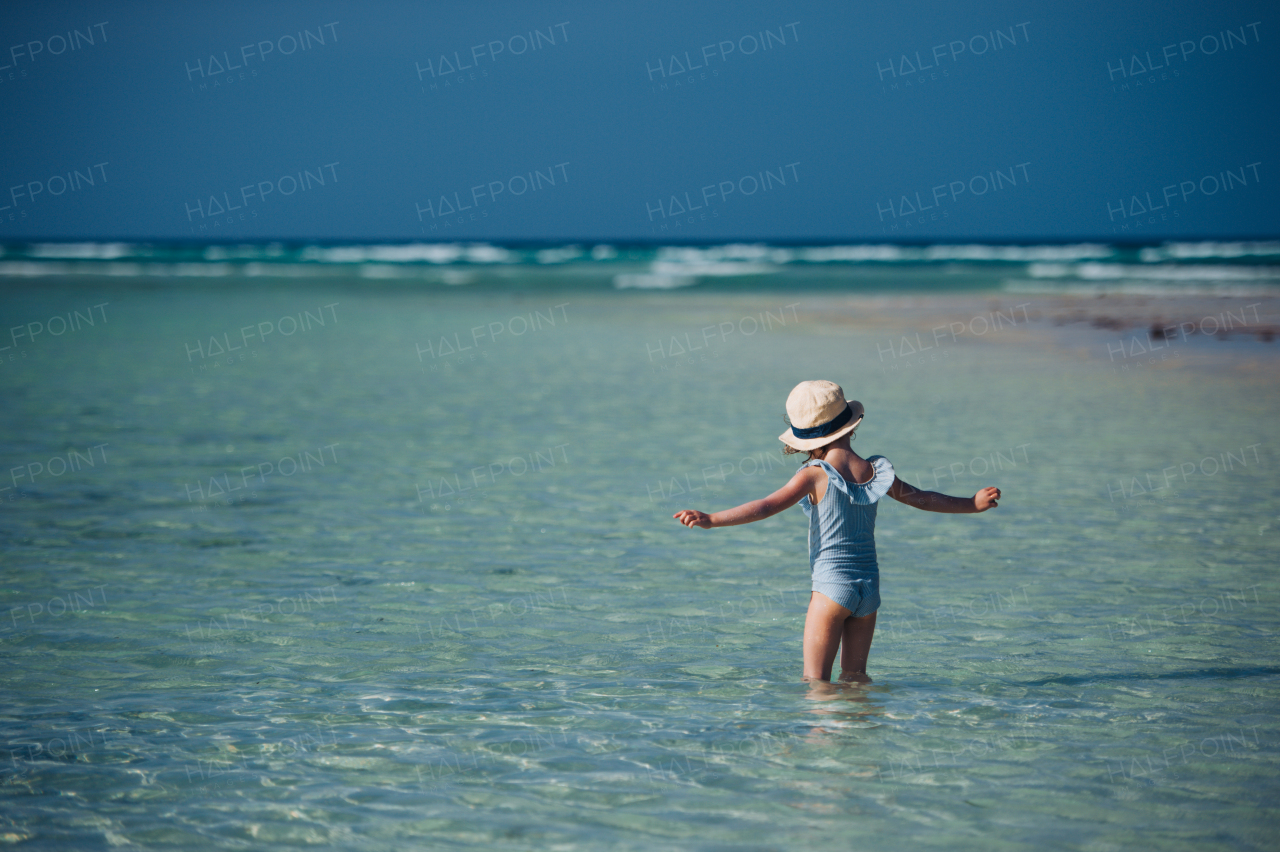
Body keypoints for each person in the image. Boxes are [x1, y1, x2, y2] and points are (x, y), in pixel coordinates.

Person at [673, 380, 1000, 684]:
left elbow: (766, 506)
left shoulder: (815, 474)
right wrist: (972, 503)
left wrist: (713, 518)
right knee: (856, 681)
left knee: (815, 685)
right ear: (849, 426)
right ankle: (857, 739)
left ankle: (820, 744)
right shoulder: (875, 470)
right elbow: (924, 500)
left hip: (831, 590)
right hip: (868, 591)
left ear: (807, 441)